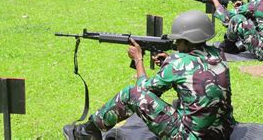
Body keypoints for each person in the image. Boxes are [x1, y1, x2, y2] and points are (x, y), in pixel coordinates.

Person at [63, 10, 236, 140]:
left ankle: (87, 133)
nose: (175, 43)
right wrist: (170, 60)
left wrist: (138, 59)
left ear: (186, 40)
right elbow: (194, 70)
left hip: (189, 137)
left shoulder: (177, 63)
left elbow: (143, 90)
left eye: (178, 40)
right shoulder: (218, 55)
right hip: (222, 132)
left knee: (131, 94)